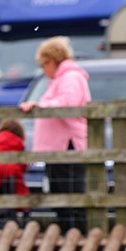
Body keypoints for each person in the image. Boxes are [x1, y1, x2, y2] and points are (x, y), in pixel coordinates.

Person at [20, 36, 90, 232]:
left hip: (66, 147)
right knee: (62, 195)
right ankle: (70, 234)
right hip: (59, 149)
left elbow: (68, 103)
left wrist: (41, 106)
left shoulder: (70, 77)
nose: (44, 69)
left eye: (43, 65)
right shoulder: (64, 78)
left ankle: (75, 236)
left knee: (70, 196)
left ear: (51, 61)